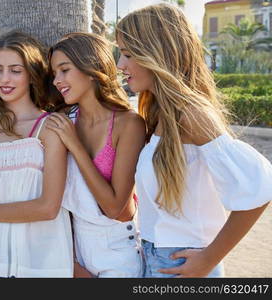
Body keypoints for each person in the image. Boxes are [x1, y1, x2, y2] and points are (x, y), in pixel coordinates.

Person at [116, 3, 272, 278]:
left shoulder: (191, 114)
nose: (120, 64)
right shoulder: (159, 112)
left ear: (157, 53)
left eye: (128, 54)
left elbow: (258, 190)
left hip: (182, 263)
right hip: (155, 257)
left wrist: (208, 259)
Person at [0, 31, 73, 278]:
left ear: (31, 74)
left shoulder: (50, 127)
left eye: (15, 71)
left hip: (40, 266)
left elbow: (48, 208)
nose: (4, 79)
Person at [46, 32, 146, 277]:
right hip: (73, 250)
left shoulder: (128, 124)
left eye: (64, 70)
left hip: (117, 251)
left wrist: (75, 145)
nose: (57, 81)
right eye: (54, 73)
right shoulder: (62, 121)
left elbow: (114, 208)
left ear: (91, 68)